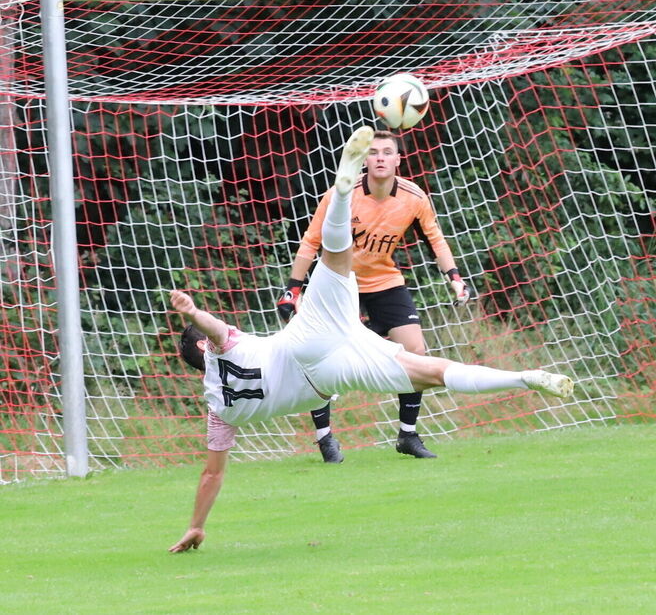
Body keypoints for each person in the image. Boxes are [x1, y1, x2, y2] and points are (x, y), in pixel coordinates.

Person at [168, 126, 573, 552]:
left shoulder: (219, 412)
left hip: (331, 374)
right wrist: (195, 313)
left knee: (429, 373)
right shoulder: (223, 346)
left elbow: (212, 474)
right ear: (203, 349)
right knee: (337, 256)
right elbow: (216, 333)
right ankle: (343, 191)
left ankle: (524, 378)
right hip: (308, 339)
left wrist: (197, 524)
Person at [277, 130, 471, 462]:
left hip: (384, 281)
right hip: (339, 286)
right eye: (373, 152)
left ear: (398, 159)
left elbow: (436, 240)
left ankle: (407, 436)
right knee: (322, 360)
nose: (380, 157)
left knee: (416, 351)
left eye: (387, 152)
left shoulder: (414, 198)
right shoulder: (342, 194)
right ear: (364, 160)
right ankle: (325, 440)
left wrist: (455, 278)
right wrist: (293, 289)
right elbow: (311, 240)